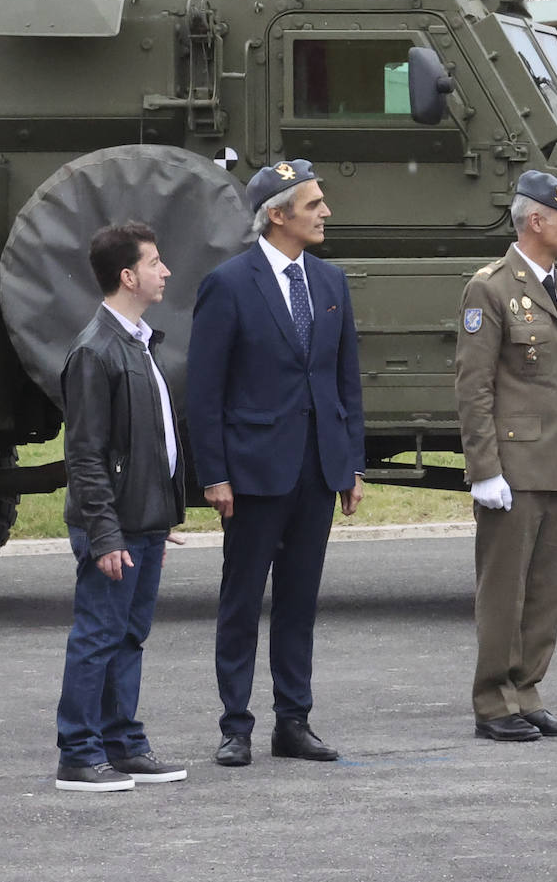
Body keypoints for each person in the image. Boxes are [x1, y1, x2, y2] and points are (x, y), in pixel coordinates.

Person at [186, 159, 365, 767]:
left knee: (299, 601)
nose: (326, 212)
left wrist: (351, 466)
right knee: (241, 600)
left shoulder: (332, 282)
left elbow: (346, 383)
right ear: (279, 214)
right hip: (254, 472)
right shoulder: (229, 284)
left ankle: (294, 721)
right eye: (314, 204)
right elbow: (205, 390)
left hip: (316, 470)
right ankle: (236, 724)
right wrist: (214, 473)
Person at [453, 169, 557, 742]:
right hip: (513, 466)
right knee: (504, 589)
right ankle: (493, 701)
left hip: (556, 462)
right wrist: (484, 470)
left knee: (544, 589)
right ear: (537, 221)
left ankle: (527, 690)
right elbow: (473, 386)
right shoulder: (489, 287)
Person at [55, 221, 187, 792]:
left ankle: (123, 744)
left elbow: (146, 441)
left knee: (128, 636)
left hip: (143, 522)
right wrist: (106, 534)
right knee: (97, 636)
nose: (165, 272)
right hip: (113, 529)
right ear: (128, 275)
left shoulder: (137, 341)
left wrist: (157, 508)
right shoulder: (96, 351)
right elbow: (85, 455)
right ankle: (78, 755)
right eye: (155, 262)